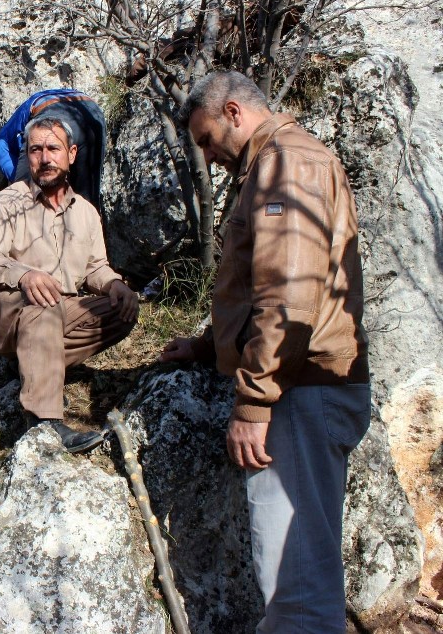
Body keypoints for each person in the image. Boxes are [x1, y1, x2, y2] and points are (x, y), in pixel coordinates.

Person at [161, 71, 370, 633]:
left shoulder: (284, 163)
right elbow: (264, 289)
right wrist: (209, 346)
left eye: (206, 140)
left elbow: (288, 292)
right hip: (302, 385)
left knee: (296, 591)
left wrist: (254, 402)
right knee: (299, 576)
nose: (206, 157)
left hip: (301, 391)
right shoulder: (275, 163)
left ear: (233, 112)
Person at [0, 116, 139, 454]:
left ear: (71, 154)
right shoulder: (7, 202)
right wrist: (24, 275)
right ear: (26, 156)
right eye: (35, 150)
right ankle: (44, 424)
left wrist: (115, 285)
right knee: (42, 305)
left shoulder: (86, 213)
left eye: (53, 148)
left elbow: (95, 268)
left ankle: (35, 358)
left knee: (121, 310)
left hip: (50, 312)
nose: (44, 158)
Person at [0, 88, 107, 210]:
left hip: (54, 111)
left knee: (25, 201)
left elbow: (0, 149)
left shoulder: (5, 137)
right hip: (91, 111)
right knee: (87, 204)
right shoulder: (23, 114)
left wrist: (18, 178)